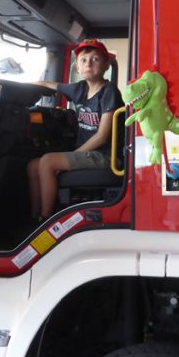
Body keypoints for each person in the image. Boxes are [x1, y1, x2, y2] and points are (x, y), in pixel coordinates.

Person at [26, 39, 122, 221]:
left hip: (105, 156)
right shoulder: (79, 89)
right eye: (83, 60)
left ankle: (46, 219)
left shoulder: (109, 92)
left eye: (95, 59)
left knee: (47, 161)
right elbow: (49, 84)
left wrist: (75, 153)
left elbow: (102, 136)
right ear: (77, 67)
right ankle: (34, 218)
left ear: (106, 65)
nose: (88, 64)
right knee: (33, 166)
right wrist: (24, 87)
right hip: (88, 153)